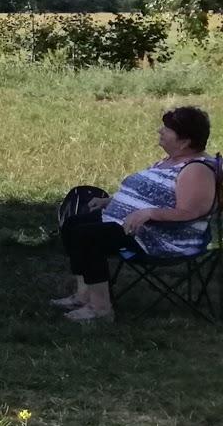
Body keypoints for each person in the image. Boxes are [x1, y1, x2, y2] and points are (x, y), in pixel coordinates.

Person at [54, 105, 216, 323]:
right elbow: (151, 195)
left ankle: (101, 309)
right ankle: (84, 295)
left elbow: (193, 211)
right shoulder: (170, 160)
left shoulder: (197, 169)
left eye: (167, 129)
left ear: (185, 141)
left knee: (88, 236)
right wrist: (110, 201)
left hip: (161, 237)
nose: (160, 131)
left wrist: (149, 213)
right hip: (133, 224)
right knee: (73, 224)